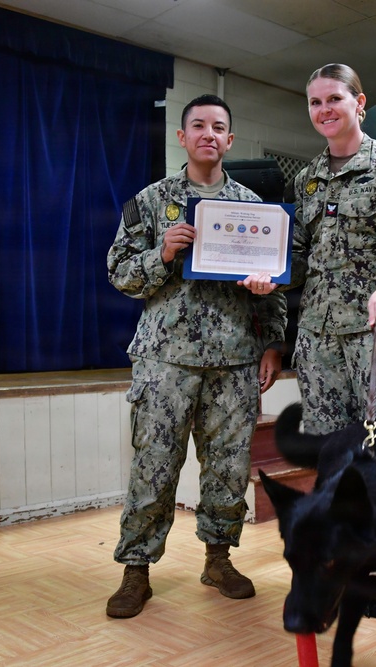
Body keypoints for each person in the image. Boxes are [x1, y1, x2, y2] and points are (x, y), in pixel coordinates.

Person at [105, 94, 287, 619]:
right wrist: (161, 252)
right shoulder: (151, 201)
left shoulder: (254, 210)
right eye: (199, 126)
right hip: (166, 358)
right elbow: (119, 274)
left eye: (220, 127)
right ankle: (136, 570)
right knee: (153, 466)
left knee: (229, 468)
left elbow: (273, 288)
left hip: (233, 359)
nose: (209, 134)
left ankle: (218, 558)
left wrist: (271, 341)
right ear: (182, 137)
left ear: (230, 141)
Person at [291, 63, 376, 620]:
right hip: (319, 342)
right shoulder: (306, 180)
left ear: (359, 102)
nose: (324, 110)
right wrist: (264, 273)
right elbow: (299, 258)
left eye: (334, 99)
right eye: (315, 102)